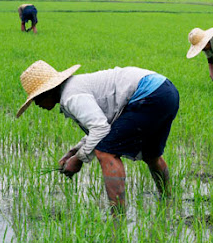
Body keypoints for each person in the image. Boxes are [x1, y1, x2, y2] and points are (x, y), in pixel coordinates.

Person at [16, 60, 179, 214]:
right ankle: (168, 200)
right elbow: (102, 127)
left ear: (48, 91)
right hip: (165, 91)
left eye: (36, 98)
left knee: (106, 153)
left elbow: (100, 130)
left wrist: (78, 160)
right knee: (151, 155)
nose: (37, 104)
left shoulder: (71, 97)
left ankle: (118, 218)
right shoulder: (73, 88)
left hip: (148, 95)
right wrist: (74, 151)